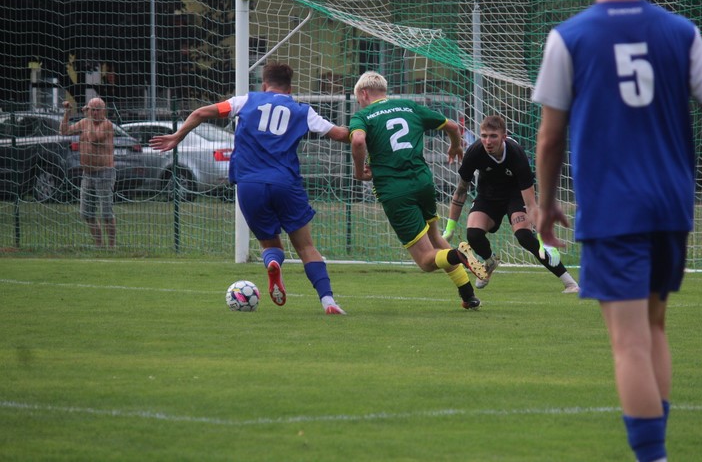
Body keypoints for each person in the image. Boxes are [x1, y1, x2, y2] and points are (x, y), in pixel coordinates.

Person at [532, 0, 702, 462]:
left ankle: (651, 457)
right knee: (655, 327)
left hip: (613, 208)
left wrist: (544, 206)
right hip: (670, 204)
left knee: (629, 340)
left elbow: (549, 137)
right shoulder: (680, 32)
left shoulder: (569, 38)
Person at [150, 62, 347, 315]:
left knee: (270, 244)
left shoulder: (244, 101)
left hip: (249, 184)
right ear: (291, 88)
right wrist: (364, 132)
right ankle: (328, 301)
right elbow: (341, 134)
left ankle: (274, 262)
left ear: (264, 85)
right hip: (285, 184)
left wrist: (177, 136)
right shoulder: (303, 110)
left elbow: (200, 113)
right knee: (306, 247)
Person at [349, 71, 488, 310]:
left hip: (395, 190)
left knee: (425, 260)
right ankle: (468, 295)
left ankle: (460, 255)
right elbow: (453, 125)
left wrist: (360, 171)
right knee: (435, 237)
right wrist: (455, 146)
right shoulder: (408, 106)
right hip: (423, 182)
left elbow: (358, 141)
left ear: (363, 93)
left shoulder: (363, 115)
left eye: (358, 99)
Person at [441, 115, 580, 293]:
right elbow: (461, 190)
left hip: (515, 195)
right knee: (473, 234)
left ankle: (570, 283)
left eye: (493, 136)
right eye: (484, 135)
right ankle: (490, 262)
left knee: (524, 236)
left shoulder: (516, 154)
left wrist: (544, 237)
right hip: (488, 195)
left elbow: (530, 204)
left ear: (504, 137)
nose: (487, 141)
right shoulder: (475, 152)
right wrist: (449, 228)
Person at [60, 97, 116, 248]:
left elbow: (94, 139)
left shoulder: (107, 125)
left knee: (106, 213)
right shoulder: (85, 122)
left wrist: (88, 117)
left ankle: (112, 247)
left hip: (104, 172)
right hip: (87, 173)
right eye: (92, 109)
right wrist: (67, 113)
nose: (95, 112)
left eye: (98, 109)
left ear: (103, 110)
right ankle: (99, 245)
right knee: (87, 213)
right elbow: (64, 131)